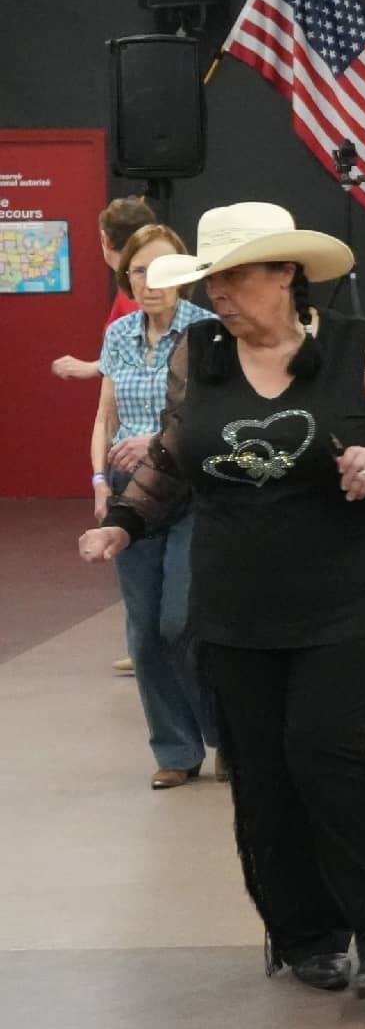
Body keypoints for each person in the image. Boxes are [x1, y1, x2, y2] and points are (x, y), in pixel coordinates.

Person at [78, 201, 365, 996]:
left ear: (286, 272)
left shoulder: (355, 345)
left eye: (236, 276)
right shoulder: (200, 352)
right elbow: (174, 459)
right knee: (259, 767)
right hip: (236, 598)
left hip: (350, 591)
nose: (218, 293)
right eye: (210, 279)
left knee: (324, 750)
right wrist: (122, 523)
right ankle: (306, 934)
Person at [88, 222, 220, 788]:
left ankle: (226, 733)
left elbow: (213, 417)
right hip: (130, 494)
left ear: (184, 275)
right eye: (139, 271)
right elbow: (105, 415)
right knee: (143, 630)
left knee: (180, 621)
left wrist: (159, 441)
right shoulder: (119, 334)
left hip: (189, 486)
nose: (150, 282)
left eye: (163, 271)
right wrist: (100, 479)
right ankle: (175, 749)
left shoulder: (208, 332)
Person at [58, 195, 160, 677]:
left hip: (148, 458)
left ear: (103, 240)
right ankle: (145, 644)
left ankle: (150, 645)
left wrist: (88, 368)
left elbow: (115, 395)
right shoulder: (128, 309)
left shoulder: (130, 304)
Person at [51, 195, 159, 383]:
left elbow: (152, 352)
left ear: (105, 239)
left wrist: (92, 368)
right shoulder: (140, 280)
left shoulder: (137, 286)